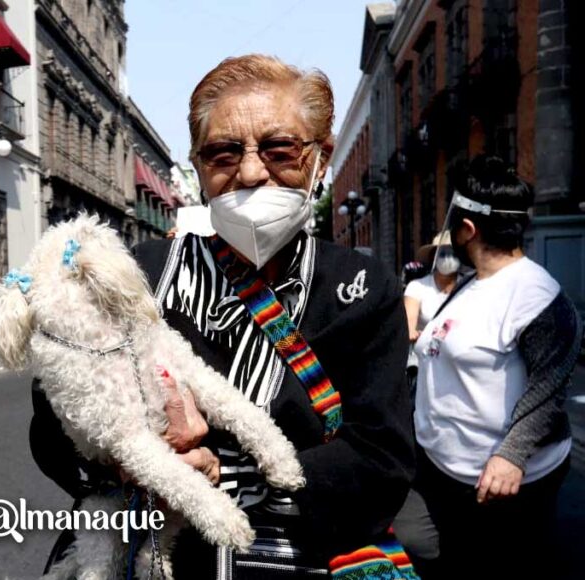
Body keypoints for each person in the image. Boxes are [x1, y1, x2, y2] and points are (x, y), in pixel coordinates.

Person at [30, 54, 415, 578]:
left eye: (279, 148)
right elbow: (54, 421)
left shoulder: (363, 288)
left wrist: (228, 478)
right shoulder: (134, 277)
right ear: (198, 167)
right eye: (223, 153)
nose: (252, 172)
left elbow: (383, 458)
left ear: (320, 161)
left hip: (297, 558)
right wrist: (124, 462)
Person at [393, 156, 581, 578]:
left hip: (495, 484)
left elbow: (550, 386)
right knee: (416, 544)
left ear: (468, 229)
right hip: (437, 465)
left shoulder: (537, 296)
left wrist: (511, 456)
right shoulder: (470, 283)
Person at [402, 232, 460, 397]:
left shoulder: (469, 286)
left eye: (453, 252)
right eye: (442, 253)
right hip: (424, 365)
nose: (448, 258)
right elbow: (408, 326)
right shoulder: (417, 287)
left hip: (458, 365)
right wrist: (415, 333)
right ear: (434, 256)